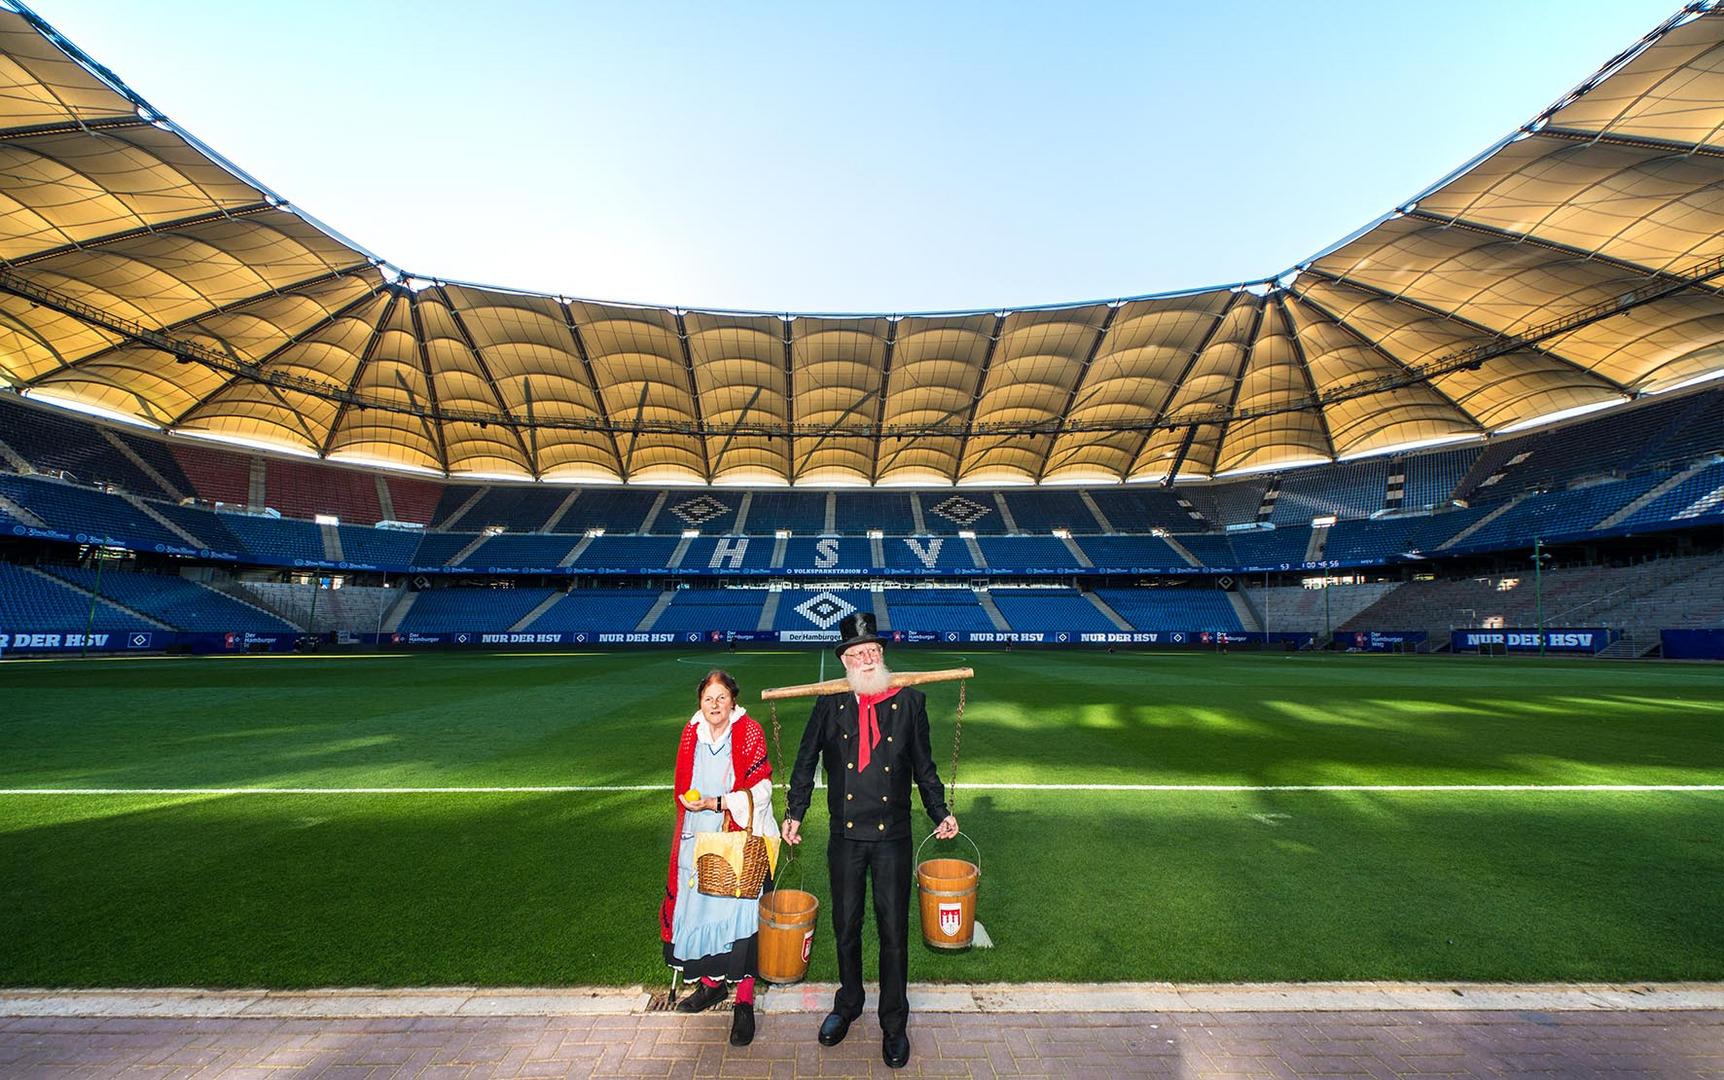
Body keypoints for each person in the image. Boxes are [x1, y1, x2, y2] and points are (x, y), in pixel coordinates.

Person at [783, 612, 959, 1070]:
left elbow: (925, 768)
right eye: (857, 653)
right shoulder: (829, 704)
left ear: (883, 656)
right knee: (846, 927)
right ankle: (848, 1003)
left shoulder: (910, 702)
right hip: (845, 834)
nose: (867, 658)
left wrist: (940, 812)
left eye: (873, 651)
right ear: (843, 660)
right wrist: (794, 813)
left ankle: (894, 1024)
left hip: (892, 836)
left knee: (893, 933)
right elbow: (804, 763)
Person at [660, 669, 779, 1047]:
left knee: (737, 917)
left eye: (721, 698)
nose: (714, 705)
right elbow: (682, 783)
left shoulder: (749, 731)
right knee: (703, 910)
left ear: (733, 700)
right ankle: (711, 985)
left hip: (737, 839)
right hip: (698, 836)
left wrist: (719, 803)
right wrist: (694, 804)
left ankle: (744, 1000)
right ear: (700, 702)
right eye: (708, 699)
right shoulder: (690, 732)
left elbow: (761, 790)